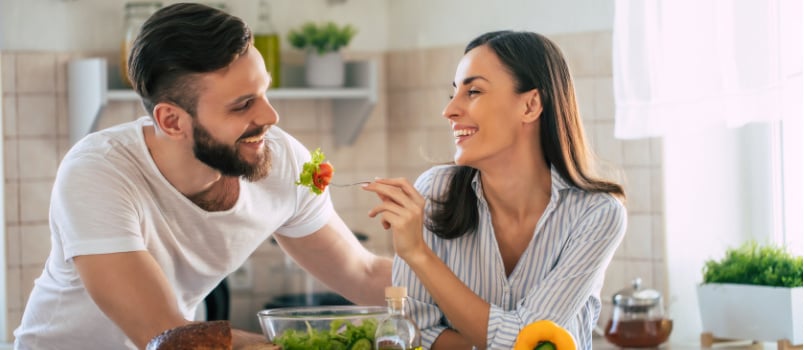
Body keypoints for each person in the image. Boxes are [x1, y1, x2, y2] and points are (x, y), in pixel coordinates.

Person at [13, 3, 391, 349]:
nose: (271, 117)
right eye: (243, 105)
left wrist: (444, 281)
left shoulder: (284, 162)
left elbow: (363, 272)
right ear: (172, 121)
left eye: (264, 93)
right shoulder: (99, 171)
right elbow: (167, 334)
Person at [363, 30, 627, 350]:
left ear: (530, 105)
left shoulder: (597, 214)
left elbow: (526, 341)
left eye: (473, 91)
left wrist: (418, 254)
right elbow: (416, 333)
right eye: (453, 94)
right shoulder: (434, 192)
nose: (449, 111)